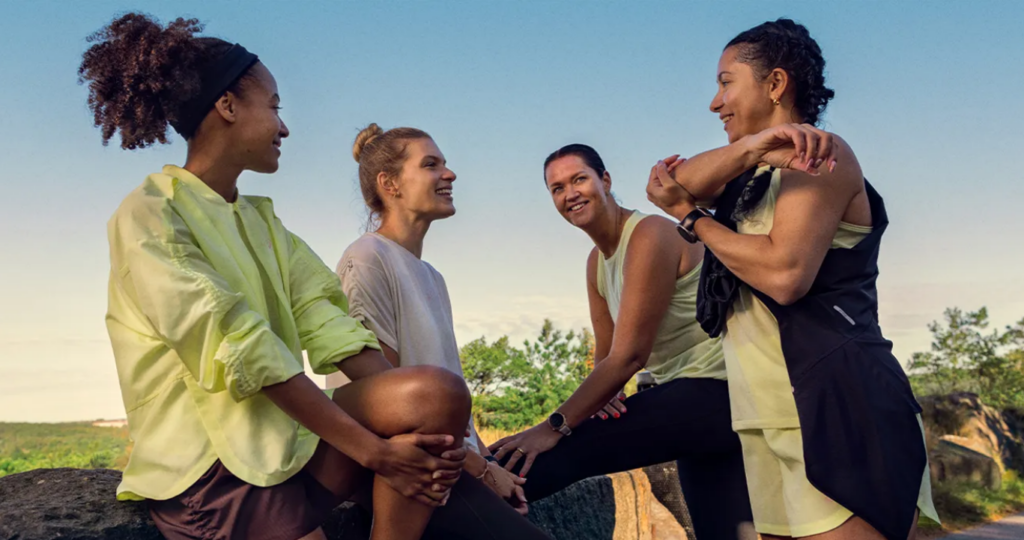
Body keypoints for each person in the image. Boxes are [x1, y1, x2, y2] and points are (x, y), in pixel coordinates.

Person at [83, 13, 544, 540]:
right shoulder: (150, 215)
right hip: (216, 474)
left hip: (293, 447)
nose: (284, 126)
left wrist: (438, 433)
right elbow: (243, 346)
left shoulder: (263, 222)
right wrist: (376, 452)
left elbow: (332, 326)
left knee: (436, 393)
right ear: (228, 106)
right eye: (275, 107)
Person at [645, 18, 939, 540]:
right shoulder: (752, 172)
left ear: (776, 83)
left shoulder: (823, 156)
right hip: (764, 416)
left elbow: (785, 275)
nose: (715, 102)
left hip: (837, 408)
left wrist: (693, 220)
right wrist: (754, 148)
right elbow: (668, 184)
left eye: (726, 81)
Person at [489, 143, 755, 540]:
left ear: (605, 181)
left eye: (579, 179)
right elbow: (607, 357)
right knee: (724, 532)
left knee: (564, 448)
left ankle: (456, 499)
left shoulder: (650, 233)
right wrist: (604, 392)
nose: (570, 193)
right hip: (686, 402)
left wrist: (553, 425)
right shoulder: (597, 262)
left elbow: (630, 356)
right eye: (557, 188)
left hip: (719, 391)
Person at [327, 123, 537, 520]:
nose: (450, 174)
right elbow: (386, 400)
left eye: (445, 163)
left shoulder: (432, 276)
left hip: (449, 465)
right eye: (431, 164)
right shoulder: (367, 258)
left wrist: (488, 462)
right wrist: (482, 470)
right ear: (390, 184)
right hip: (405, 476)